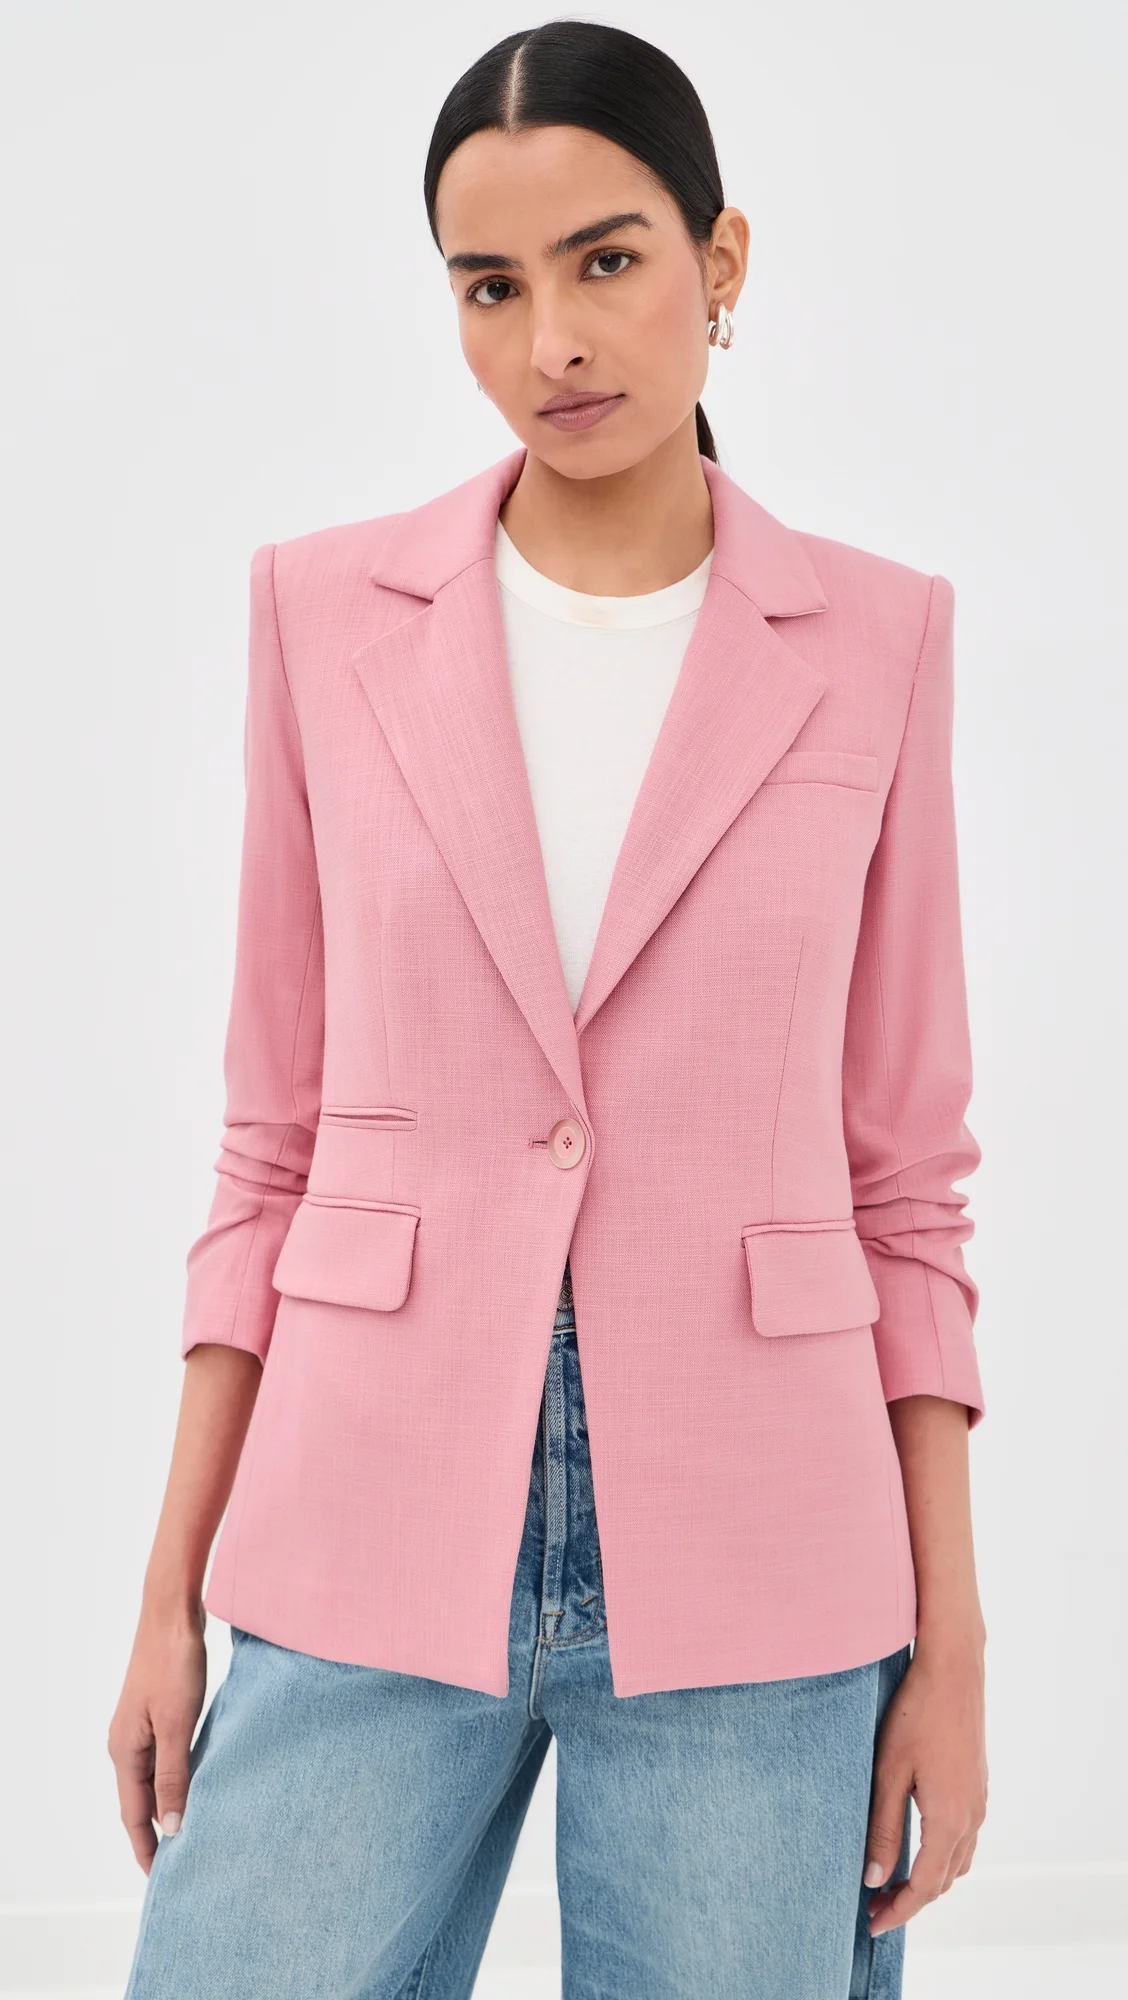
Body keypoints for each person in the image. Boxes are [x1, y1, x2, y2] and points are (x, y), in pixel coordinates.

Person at [110, 21, 988, 1998]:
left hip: (763, 1556)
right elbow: (269, 1143)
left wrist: (952, 1647)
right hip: (367, 1513)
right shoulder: (323, 617)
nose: (553, 342)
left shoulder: (878, 641)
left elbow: (907, 1185)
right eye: (489, 287)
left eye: (607, 261)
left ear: (722, 262)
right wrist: (172, 1593)